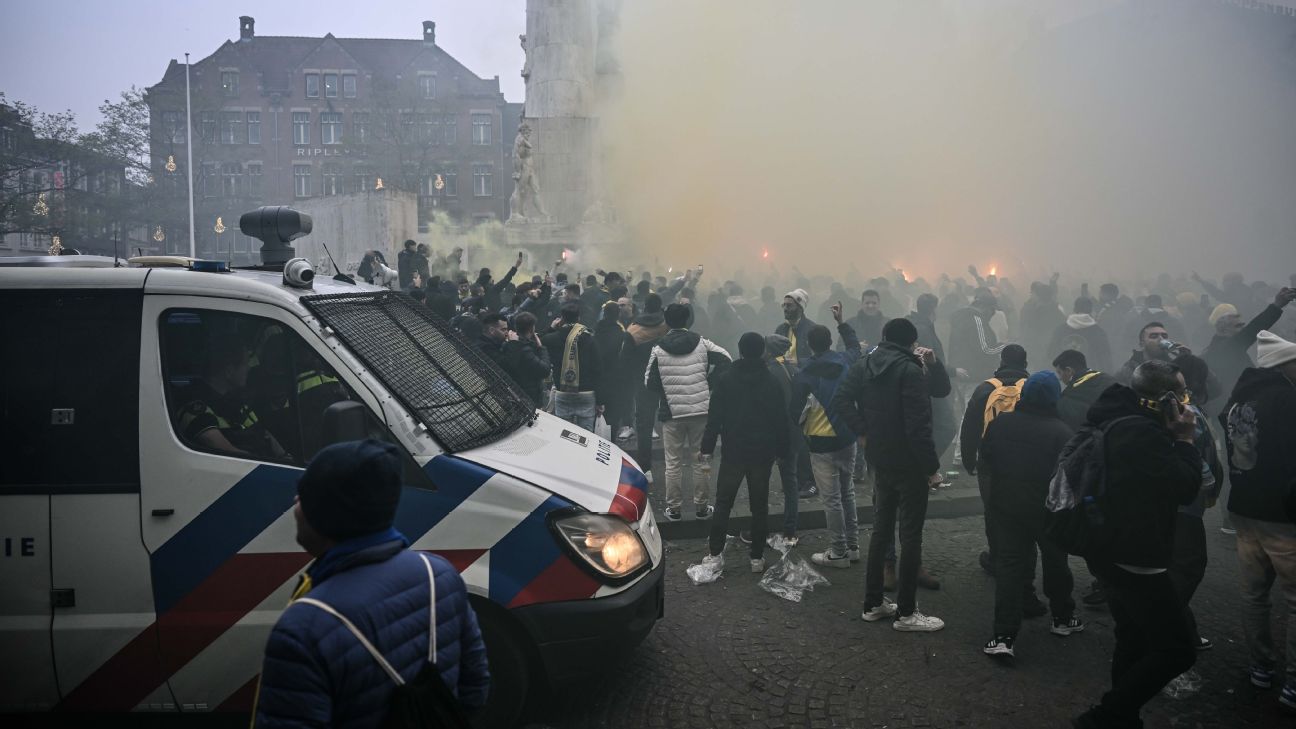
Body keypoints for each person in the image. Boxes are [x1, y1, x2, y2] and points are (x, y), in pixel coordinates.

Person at [254, 440, 490, 727]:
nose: (295, 503)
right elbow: (474, 690)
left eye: (303, 496)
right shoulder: (439, 574)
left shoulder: (303, 630)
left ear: (324, 515)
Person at [1072, 360, 1202, 729]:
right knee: (1178, 649)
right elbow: (1185, 487)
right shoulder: (1142, 435)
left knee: (1131, 636)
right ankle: (1107, 715)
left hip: (1107, 548)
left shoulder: (1112, 414)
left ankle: (1122, 718)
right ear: (1165, 400)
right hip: (1136, 554)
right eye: (1182, 395)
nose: (1186, 402)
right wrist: (1185, 441)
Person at [834, 318, 951, 632]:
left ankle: (873, 604)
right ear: (912, 343)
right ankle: (907, 613)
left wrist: (862, 432)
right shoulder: (910, 370)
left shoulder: (865, 363)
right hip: (910, 464)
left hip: (880, 458)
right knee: (910, 535)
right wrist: (932, 469)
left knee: (881, 531)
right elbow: (919, 426)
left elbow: (841, 399)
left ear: (884, 336)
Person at [978, 371, 1082, 660]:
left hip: (1007, 508)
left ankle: (1003, 636)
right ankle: (1063, 618)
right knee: (1056, 561)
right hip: (1047, 511)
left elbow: (986, 458)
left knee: (1010, 567)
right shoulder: (1063, 432)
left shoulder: (1001, 423)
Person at [1223, 330, 1296, 706]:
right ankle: (1294, 686)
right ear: (1283, 365)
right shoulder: (1287, 400)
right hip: (1283, 515)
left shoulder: (1239, 400)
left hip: (1245, 507)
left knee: (1254, 594)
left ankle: (1261, 667)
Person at [699, 332, 790, 574]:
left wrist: (706, 448)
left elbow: (714, 417)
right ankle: (757, 558)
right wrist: (783, 450)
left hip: (733, 452)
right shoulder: (771, 382)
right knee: (759, 505)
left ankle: (715, 553)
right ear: (762, 352)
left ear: (739, 351)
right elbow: (780, 420)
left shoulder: (726, 380)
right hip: (762, 454)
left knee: (723, 503)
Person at [788, 304, 862, 569]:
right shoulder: (845, 361)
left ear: (809, 345)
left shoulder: (804, 375)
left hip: (820, 441)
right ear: (831, 342)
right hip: (848, 436)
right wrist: (841, 321)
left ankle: (838, 551)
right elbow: (855, 346)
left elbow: (794, 411)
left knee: (831, 499)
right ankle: (853, 546)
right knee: (848, 492)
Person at [646, 303, 732, 521]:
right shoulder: (702, 342)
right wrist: (708, 382)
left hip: (672, 414)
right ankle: (702, 508)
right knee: (701, 460)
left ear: (667, 321)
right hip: (701, 410)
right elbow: (726, 359)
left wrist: (667, 391)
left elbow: (648, 381)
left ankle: (674, 509)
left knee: (672, 462)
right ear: (688, 320)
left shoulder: (658, 348)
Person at [177, 337, 288, 461]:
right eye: (245, 363)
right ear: (229, 371)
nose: (249, 368)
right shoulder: (195, 405)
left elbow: (263, 432)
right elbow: (226, 450)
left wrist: (285, 458)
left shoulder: (235, 401)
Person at [1202, 286, 1294, 411]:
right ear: (1223, 329)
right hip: (1237, 405)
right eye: (1238, 326)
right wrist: (1276, 305)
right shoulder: (1227, 348)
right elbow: (1253, 329)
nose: (1242, 329)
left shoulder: (1213, 347)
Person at [763, 333, 810, 541]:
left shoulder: (768, 372)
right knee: (791, 482)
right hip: (795, 433)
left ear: (769, 350)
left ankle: (760, 529)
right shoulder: (794, 369)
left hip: (772, 434)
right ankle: (790, 531)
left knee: (761, 482)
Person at [626, 293, 670, 483]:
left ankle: (646, 468)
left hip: (643, 383)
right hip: (669, 379)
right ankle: (674, 467)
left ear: (644, 307)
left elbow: (625, 359)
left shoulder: (633, 330)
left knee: (644, 424)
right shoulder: (669, 325)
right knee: (673, 423)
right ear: (660, 307)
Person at [542, 302, 602, 431]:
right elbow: (597, 369)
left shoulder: (552, 338)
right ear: (579, 318)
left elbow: (538, 341)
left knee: (564, 436)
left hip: (563, 391)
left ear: (562, 318)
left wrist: (551, 328)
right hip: (587, 392)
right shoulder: (589, 337)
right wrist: (600, 400)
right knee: (587, 438)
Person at [593, 300, 635, 437]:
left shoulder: (595, 332)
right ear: (618, 315)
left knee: (598, 414)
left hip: (598, 378)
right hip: (616, 379)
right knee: (613, 414)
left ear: (604, 314)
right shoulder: (623, 335)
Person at [1053, 349, 1117, 432]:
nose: (1060, 378)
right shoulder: (1111, 381)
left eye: (1059, 372)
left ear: (1069, 371)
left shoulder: (1068, 398)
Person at [1048, 296, 1113, 374]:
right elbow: (1105, 358)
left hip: (1064, 374)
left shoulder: (1061, 329)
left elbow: (1051, 353)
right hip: (1090, 376)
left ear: (1074, 309)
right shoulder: (1098, 332)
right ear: (1091, 310)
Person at [502, 311, 551, 408]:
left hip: (515, 394)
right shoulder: (525, 349)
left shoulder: (510, 345)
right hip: (530, 397)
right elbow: (545, 370)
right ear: (532, 328)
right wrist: (541, 348)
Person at [1115, 321, 1184, 385]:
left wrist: (1186, 360)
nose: (1161, 339)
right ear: (1142, 344)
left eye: (1164, 336)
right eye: (1154, 336)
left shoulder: (1174, 366)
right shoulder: (1129, 370)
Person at [775, 288, 816, 365]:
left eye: (789, 305)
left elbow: (818, 358)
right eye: (784, 305)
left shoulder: (812, 329)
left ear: (800, 308)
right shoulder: (780, 329)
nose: (785, 309)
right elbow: (774, 355)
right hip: (784, 373)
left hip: (805, 373)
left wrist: (798, 362)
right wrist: (782, 361)